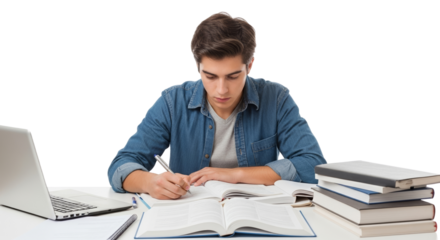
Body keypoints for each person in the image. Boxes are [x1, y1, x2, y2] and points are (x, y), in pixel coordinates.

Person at [106, 11, 328, 200]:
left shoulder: (276, 98)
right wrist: (149, 182)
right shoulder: (172, 101)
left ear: (251, 64)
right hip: (192, 212)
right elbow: (121, 165)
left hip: (257, 212)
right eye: (210, 76)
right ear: (197, 66)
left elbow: (313, 165)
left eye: (232, 77)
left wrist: (233, 175)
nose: (221, 90)